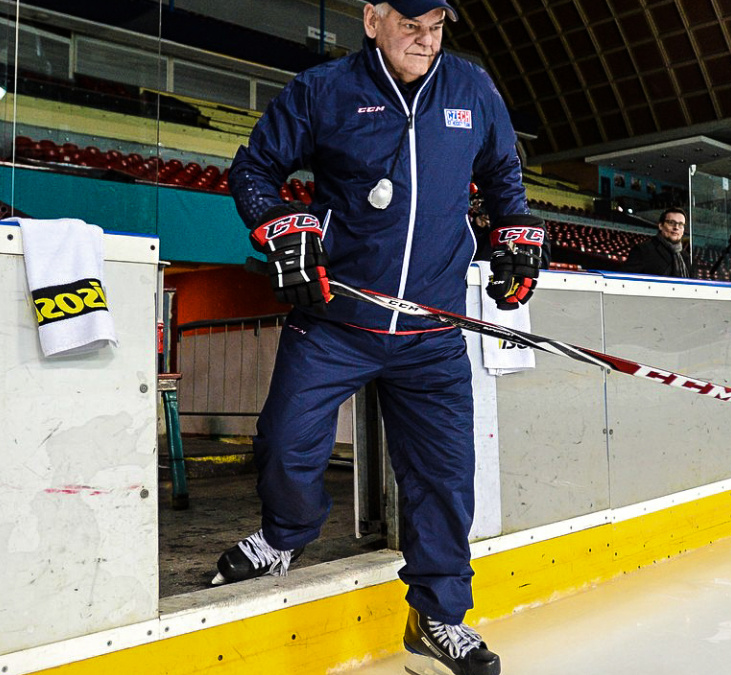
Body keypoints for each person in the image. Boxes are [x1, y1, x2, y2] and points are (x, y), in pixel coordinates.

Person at [219, 2, 545, 674]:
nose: (426, 42)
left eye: (437, 28)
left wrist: (514, 232)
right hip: (337, 317)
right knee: (284, 442)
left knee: (446, 478)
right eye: (410, 26)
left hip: (432, 329)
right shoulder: (323, 90)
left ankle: (438, 613)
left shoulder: (473, 88)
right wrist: (283, 223)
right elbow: (253, 170)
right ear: (372, 19)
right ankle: (286, 533)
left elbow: (504, 178)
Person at [622, 207, 692, 278]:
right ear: (661, 226)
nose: (676, 227)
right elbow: (625, 281)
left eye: (680, 224)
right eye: (671, 223)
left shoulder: (685, 256)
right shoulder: (643, 251)